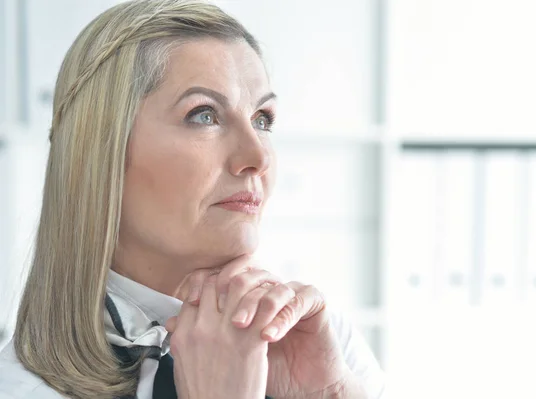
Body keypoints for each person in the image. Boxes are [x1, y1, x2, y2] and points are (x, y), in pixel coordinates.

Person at [0, 0, 386, 398]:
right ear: (99, 153)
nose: (258, 158)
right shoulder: (19, 389)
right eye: (204, 115)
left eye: (262, 119)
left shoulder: (322, 344)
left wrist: (334, 394)